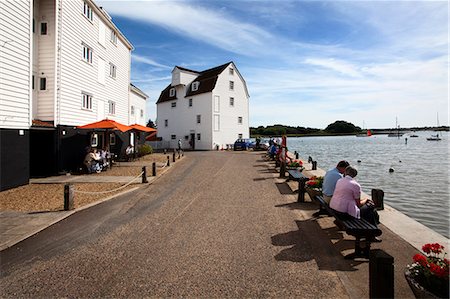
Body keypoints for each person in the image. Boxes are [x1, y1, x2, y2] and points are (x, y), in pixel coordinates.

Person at [330, 166, 381, 241]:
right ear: (355, 175)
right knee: (371, 208)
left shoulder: (340, 181)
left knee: (369, 210)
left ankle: (373, 228)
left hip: (335, 208)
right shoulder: (355, 185)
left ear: (345, 172)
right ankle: (372, 233)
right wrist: (366, 199)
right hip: (345, 214)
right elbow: (358, 204)